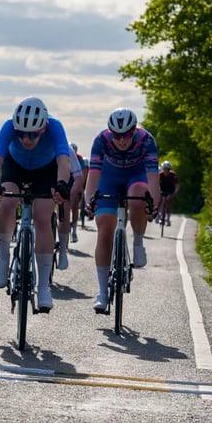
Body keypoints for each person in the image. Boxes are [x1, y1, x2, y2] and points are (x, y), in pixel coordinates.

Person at [0, 97, 71, 312]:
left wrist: (62, 184)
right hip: (15, 166)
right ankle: (4, 254)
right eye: (22, 134)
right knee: (7, 200)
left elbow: (63, 160)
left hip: (46, 169)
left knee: (43, 217)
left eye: (33, 134)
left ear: (43, 128)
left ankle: (43, 286)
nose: (26, 139)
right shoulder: (8, 126)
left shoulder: (55, 126)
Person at [84, 108, 160, 312]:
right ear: (110, 132)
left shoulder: (146, 140)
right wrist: (89, 201)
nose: (122, 140)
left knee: (138, 199)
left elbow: (153, 179)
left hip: (137, 177)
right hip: (109, 178)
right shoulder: (101, 140)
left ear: (134, 131)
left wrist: (153, 204)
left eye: (127, 134)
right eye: (117, 135)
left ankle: (138, 242)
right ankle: (102, 292)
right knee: (105, 231)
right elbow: (93, 176)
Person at [68, 142, 89, 243]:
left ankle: (74, 231)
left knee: (74, 205)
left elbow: (83, 173)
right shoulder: (63, 155)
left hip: (75, 179)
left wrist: (81, 187)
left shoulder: (79, 159)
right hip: (66, 179)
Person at [158, 161, 179, 226]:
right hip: (162, 189)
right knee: (161, 201)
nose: (166, 171)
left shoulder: (173, 174)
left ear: (170, 169)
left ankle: (168, 219)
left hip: (170, 190)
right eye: (165, 169)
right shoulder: (160, 175)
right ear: (163, 169)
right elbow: (157, 184)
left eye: (168, 169)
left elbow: (177, 185)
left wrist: (175, 192)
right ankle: (160, 216)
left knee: (168, 202)